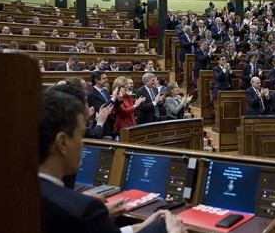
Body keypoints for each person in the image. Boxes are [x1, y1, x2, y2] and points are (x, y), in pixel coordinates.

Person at [37, 88, 184, 233]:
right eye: (80, 135)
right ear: (62, 143)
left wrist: (140, 225)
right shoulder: (84, 209)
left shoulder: (22, 194)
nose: (82, 143)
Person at [86, 71, 120, 138]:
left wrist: (119, 99)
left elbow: (113, 105)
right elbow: (102, 110)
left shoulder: (104, 91)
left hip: (110, 123)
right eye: (104, 78)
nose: (107, 80)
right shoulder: (91, 95)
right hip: (102, 126)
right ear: (96, 80)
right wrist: (113, 98)